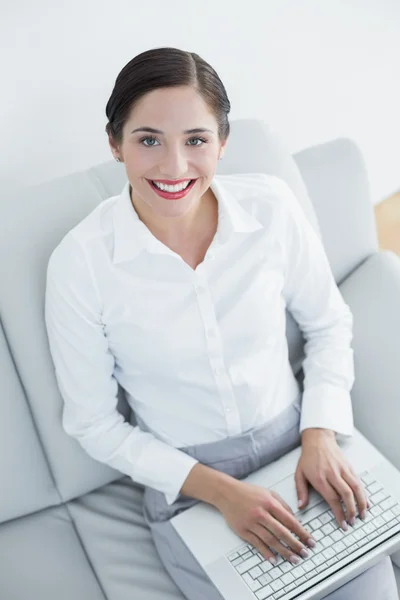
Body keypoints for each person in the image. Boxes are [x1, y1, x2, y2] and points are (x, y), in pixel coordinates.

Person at [44, 47, 399, 600]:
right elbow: (94, 424)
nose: (174, 167)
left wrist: (321, 433)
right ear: (115, 144)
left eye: (196, 140)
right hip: (191, 484)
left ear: (222, 141)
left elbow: (328, 324)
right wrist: (221, 493)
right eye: (148, 140)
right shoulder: (81, 263)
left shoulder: (272, 208)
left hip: (301, 446)